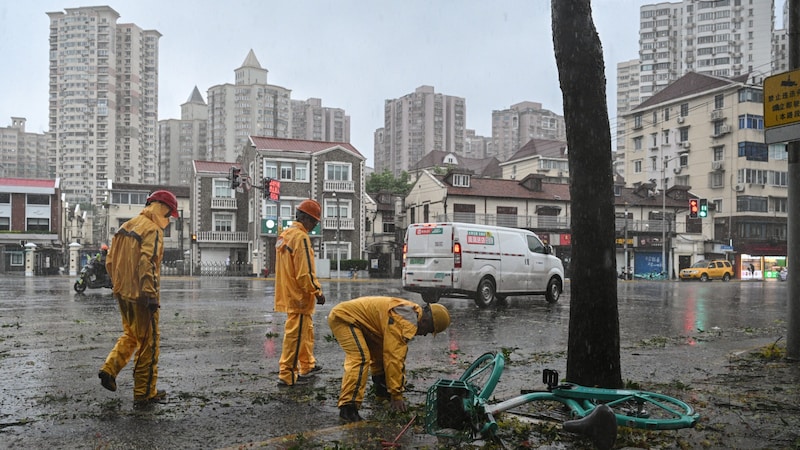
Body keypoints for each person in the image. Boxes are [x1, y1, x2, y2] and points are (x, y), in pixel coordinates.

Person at [98, 190, 179, 409]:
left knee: (131, 335)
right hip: (143, 297)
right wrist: (150, 294)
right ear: (163, 208)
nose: (169, 218)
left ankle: (109, 369)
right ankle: (144, 393)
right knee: (149, 344)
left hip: (123, 293)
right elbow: (148, 263)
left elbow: (110, 260)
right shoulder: (152, 229)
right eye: (170, 213)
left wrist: (118, 284)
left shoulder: (126, 226)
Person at [327, 296, 451, 422]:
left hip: (359, 321)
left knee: (380, 350)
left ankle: (381, 390)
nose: (424, 334)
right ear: (425, 321)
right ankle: (348, 408)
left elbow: (385, 354)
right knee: (360, 358)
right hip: (345, 318)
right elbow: (394, 358)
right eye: (428, 330)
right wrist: (396, 395)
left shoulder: (411, 313)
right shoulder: (405, 322)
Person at [274, 199, 325, 387]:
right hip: (300, 297)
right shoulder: (301, 238)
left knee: (305, 332)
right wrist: (317, 291)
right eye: (314, 222)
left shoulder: (285, 235)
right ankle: (287, 375)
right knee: (295, 337)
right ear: (306, 218)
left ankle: (307, 366)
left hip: (289, 293)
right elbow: (305, 272)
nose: (313, 227)